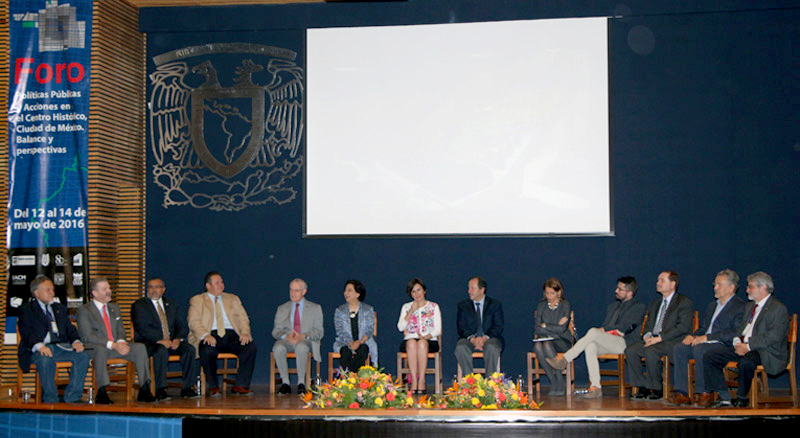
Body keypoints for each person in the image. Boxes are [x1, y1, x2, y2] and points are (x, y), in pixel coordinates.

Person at [547, 276, 646, 399]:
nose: (616, 291)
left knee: (593, 332)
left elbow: (626, 327)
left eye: (620, 289)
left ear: (629, 292)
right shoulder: (612, 306)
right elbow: (605, 325)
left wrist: (604, 330)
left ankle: (565, 359)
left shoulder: (638, 306)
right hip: (611, 341)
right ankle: (595, 387)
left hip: (626, 343)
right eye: (617, 288)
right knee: (590, 345)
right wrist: (605, 330)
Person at [705, 271, 789, 408]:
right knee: (710, 355)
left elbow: (774, 336)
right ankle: (724, 396)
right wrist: (737, 342)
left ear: (763, 288)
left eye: (751, 287)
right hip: (744, 346)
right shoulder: (750, 306)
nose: (747, 290)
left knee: (747, 361)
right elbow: (740, 330)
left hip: (765, 351)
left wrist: (748, 346)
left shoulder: (777, 309)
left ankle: (741, 397)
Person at [667, 269, 745, 406]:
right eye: (715, 284)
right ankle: (682, 393)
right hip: (706, 342)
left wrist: (707, 338)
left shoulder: (740, 306)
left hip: (724, 345)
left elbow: (735, 332)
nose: (715, 288)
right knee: (680, 348)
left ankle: (705, 392)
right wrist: (693, 336)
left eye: (719, 285)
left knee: (701, 349)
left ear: (731, 287)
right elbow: (704, 328)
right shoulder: (712, 305)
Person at [77, 277, 156, 404]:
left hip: (115, 347)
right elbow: (88, 336)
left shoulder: (115, 308)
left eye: (109, 288)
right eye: (105, 289)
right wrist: (113, 345)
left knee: (140, 347)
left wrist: (120, 341)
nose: (109, 291)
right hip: (95, 348)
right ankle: (102, 391)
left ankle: (144, 388)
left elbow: (121, 331)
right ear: (94, 293)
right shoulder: (85, 310)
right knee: (101, 350)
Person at [18, 275, 90, 403]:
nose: (52, 293)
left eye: (52, 290)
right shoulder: (27, 309)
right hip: (36, 349)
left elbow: (70, 328)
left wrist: (76, 341)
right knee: (45, 360)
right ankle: (51, 400)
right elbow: (27, 332)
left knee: (83, 356)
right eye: (48, 290)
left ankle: (72, 397)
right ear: (37, 293)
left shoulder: (59, 308)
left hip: (60, 347)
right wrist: (40, 346)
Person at [625, 271, 693, 401]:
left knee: (652, 351)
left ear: (672, 284)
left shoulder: (684, 302)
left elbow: (683, 327)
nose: (658, 283)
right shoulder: (655, 303)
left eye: (662, 280)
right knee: (631, 350)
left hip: (671, 341)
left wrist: (660, 338)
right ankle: (642, 385)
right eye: (658, 280)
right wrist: (647, 335)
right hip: (654, 339)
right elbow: (649, 324)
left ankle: (656, 388)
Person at [187, 271, 257, 396]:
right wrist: (205, 335)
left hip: (231, 334)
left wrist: (245, 333)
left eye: (222, 282)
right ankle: (213, 386)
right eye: (217, 283)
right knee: (207, 350)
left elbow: (243, 318)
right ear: (208, 286)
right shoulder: (197, 300)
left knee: (250, 347)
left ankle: (241, 385)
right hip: (210, 334)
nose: (220, 285)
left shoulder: (233, 298)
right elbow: (193, 321)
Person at [131, 277, 199, 400]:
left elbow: (180, 325)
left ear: (163, 290)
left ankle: (188, 388)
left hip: (171, 342)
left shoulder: (171, 304)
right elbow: (142, 328)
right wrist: (159, 340)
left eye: (157, 287)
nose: (153, 290)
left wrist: (178, 339)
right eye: (150, 287)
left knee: (189, 349)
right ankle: (160, 389)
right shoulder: (139, 305)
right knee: (160, 350)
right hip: (149, 343)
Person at [272, 278, 324, 395]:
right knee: (278, 347)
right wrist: (286, 336)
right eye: (291, 290)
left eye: (296, 290)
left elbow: (319, 332)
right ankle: (285, 383)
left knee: (301, 347)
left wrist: (303, 336)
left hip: (306, 340)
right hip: (287, 340)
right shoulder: (282, 308)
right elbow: (275, 331)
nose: (292, 293)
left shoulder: (315, 308)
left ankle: (301, 382)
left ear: (304, 291)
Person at [397, 278, 442, 394]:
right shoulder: (406, 307)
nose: (417, 294)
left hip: (429, 340)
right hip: (410, 340)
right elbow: (400, 327)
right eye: (413, 291)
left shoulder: (433, 306)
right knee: (412, 343)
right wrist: (411, 311)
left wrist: (425, 337)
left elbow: (438, 329)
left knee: (421, 343)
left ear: (424, 291)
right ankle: (414, 380)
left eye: (419, 290)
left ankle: (421, 379)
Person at [455, 276, 504, 377]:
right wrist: (473, 339)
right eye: (468, 288)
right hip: (470, 339)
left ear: (482, 290)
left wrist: (485, 338)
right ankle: (469, 383)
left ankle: (490, 384)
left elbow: (498, 326)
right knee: (460, 347)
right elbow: (461, 327)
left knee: (492, 347)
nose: (469, 291)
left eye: (472, 288)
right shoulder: (463, 306)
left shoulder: (494, 304)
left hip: (490, 338)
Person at [531, 278, 573, 395]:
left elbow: (562, 329)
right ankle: (554, 382)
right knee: (538, 346)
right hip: (545, 339)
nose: (549, 296)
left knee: (547, 345)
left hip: (562, 341)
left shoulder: (565, 305)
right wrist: (554, 327)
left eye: (552, 293)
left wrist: (546, 326)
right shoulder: (541, 305)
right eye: (547, 293)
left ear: (558, 292)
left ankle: (559, 381)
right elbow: (537, 328)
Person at [333, 280, 377, 377]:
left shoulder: (368, 309)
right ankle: (348, 379)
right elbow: (339, 331)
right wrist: (350, 343)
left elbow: (370, 329)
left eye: (349, 290)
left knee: (363, 350)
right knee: (345, 352)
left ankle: (353, 377)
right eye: (345, 290)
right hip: (344, 342)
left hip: (363, 342)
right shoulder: (339, 311)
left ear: (357, 294)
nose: (346, 293)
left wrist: (360, 342)